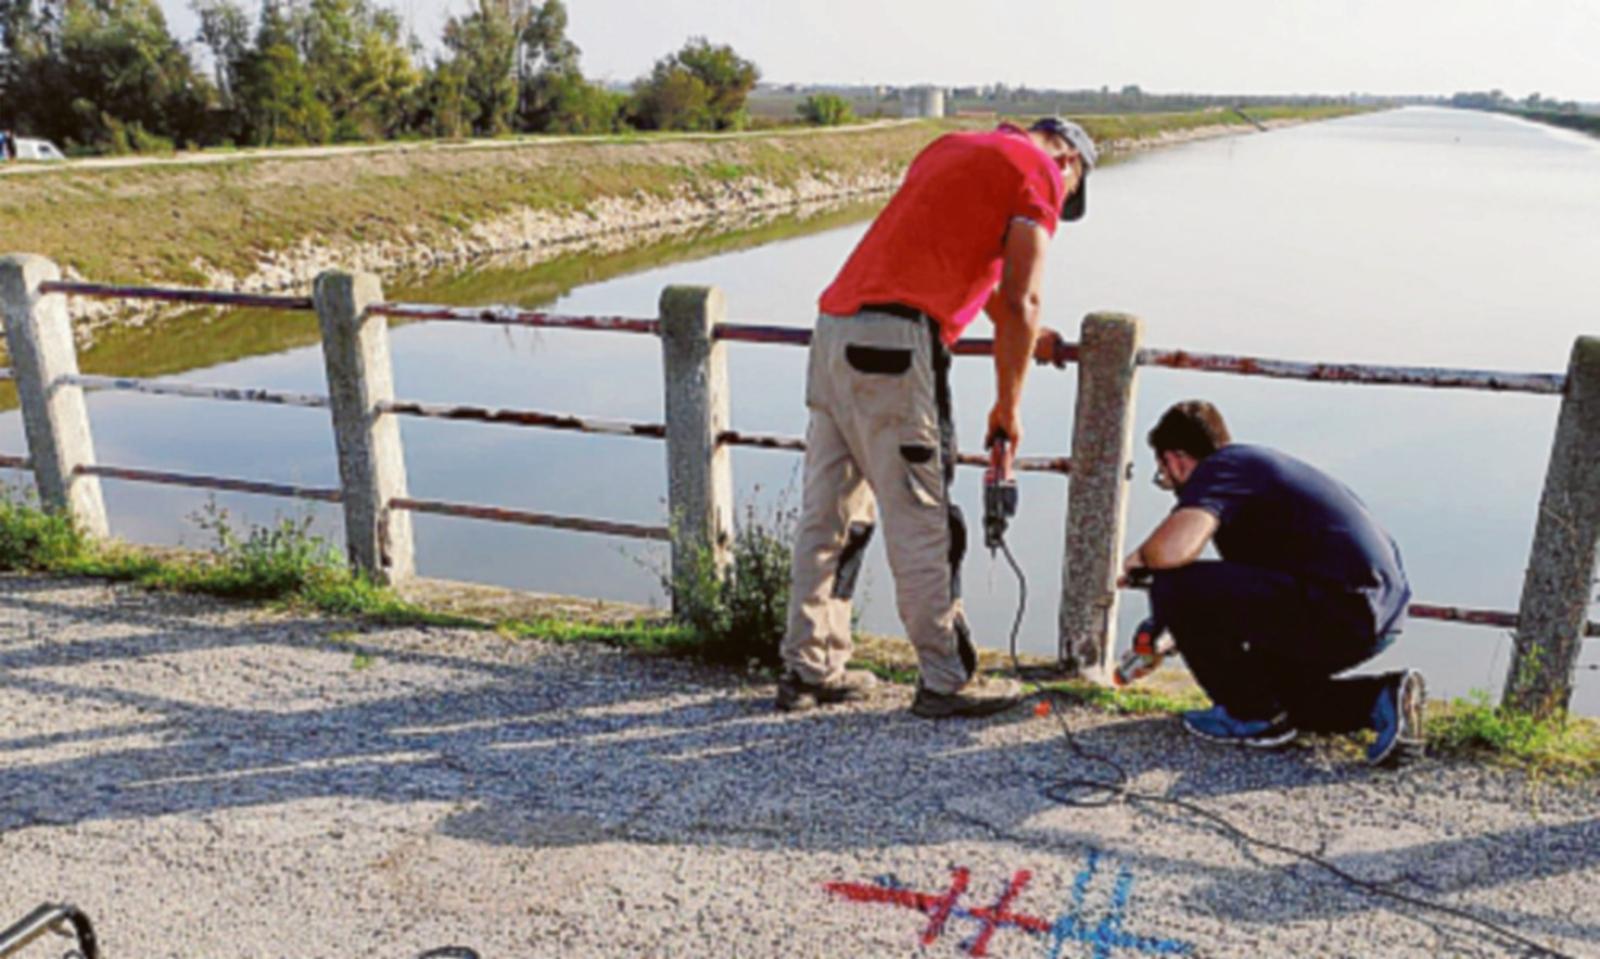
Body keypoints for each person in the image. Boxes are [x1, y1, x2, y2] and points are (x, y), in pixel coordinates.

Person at [776, 116, 1097, 718]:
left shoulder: (951, 148)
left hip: (834, 334)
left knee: (829, 519)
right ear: (1071, 165)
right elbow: (1022, 296)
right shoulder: (1042, 172)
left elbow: (942, 268)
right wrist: (1008, 406)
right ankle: (947, 679)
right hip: (895, 353)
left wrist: (1027, 336)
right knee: (922, 517)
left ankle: (808, 667)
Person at [1122, 400, 1424, 764]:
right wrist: (1168, 632)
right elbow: (1241, 598)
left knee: (1173, 583)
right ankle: (1383, 699)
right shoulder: (1253, 473)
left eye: (1164, 475)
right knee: (1274, 693)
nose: (1170, 485)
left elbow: (1170, 554)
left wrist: (1136, 562)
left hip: (1339, 605)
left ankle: (1251, 718)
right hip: (1376, 614)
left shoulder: (1223, 468)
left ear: (1176, 459)